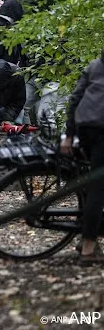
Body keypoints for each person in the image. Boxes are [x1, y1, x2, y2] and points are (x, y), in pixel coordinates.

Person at [61, 48, 104, 264]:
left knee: (92, 183)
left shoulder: (95, 65)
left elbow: (75, 99)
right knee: (98, 188)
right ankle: (87, 249)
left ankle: (87, 236)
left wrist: (69, 135)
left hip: (84, 128)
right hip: (101, 130)